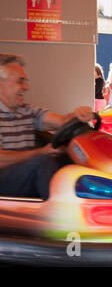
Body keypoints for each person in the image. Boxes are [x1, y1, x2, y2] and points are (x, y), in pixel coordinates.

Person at [0, 54, 94, 200]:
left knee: (70, 159)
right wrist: (40, 152)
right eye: (21, 81)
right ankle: (60, 217)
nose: (27, 87)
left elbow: (62, 121)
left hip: (25, 174)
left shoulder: (27, 110)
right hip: (5, 181)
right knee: (43, 162)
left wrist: (79, 115)